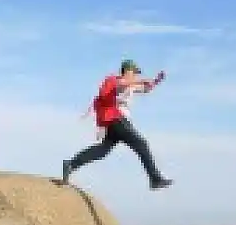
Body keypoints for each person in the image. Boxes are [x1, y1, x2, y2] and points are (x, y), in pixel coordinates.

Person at [62, 59, 173, 190]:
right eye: (134, 72)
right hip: (116, 119)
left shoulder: (130, 85)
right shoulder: (114, 80)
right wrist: (141, 80)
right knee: (141, 144)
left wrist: (156, 81)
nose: (136, 75)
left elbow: (146, 88)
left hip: (114, 123)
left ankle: (71, 164)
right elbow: (120, 85)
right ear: (127, 71)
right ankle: (155, 179)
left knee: (103, 150)